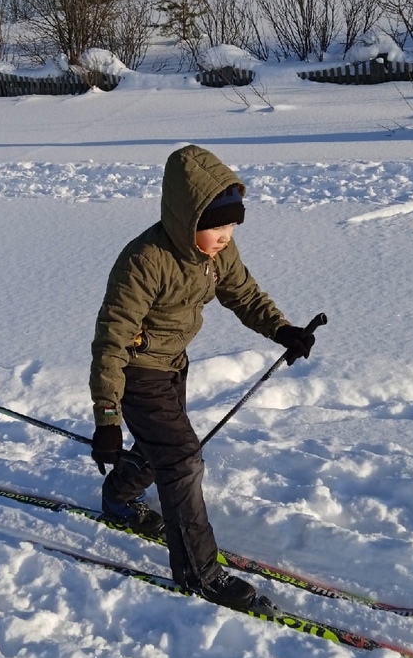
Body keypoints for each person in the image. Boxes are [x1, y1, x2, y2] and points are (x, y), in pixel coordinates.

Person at [89, 144, 320, 611]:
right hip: (138, 374)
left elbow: (244, 294)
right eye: (217, 226)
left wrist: (282, 330)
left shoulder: (217, 253)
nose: (226, 236)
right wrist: (108, 418)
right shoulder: (145, 261)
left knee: (161, 450)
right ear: (187, 219)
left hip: (174, 365)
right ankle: (199, 573)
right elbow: (111, 341)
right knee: (183, 461)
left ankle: (118, 498)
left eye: (233, 225)